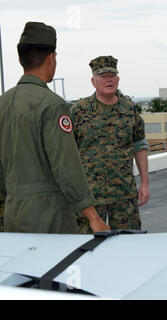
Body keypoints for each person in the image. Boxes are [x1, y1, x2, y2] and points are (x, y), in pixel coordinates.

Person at [0, 22, 109, 233]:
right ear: (51, 58)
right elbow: (66, 167)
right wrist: (93, 218)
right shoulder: (52, 105)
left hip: (13, 213)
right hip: (49, 216)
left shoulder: (3, 103)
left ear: (21, 59)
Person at [70, 55, 150, 233]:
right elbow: (68, 153)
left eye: (112, 76)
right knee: (87, 248)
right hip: (90, 199)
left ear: (118, 79)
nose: (109, 80)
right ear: (93, 81)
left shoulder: (130, 110)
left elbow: (140, 146)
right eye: (103, 76)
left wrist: (145, 183)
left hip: (124, 196)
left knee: (128, 246)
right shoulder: (78, 111)